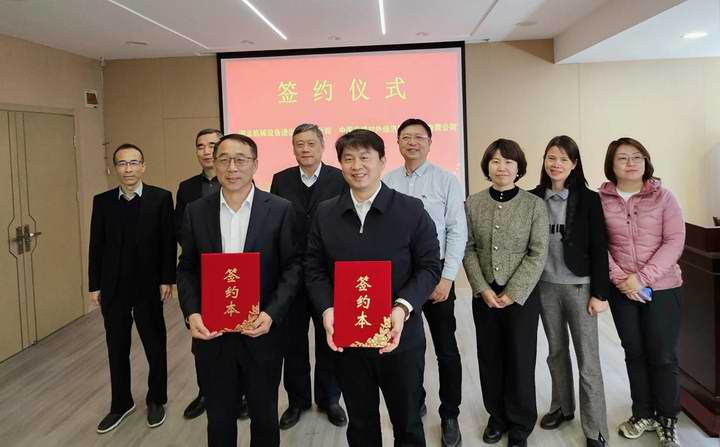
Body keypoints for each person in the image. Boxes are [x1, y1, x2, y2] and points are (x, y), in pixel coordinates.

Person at [305, 129, 441, 446]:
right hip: (348, 341)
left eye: (365, 157)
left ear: (382, 161)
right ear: (340, 164)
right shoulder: (326, 213)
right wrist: (327, 309)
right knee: (361, 424)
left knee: (408, 423)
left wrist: (402, 307)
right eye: (348, 158)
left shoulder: (411, 210)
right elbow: (314, 268)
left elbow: (429, 266)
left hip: (400, 337)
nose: (357, 166)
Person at [177, 134, 301, 447]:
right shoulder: (196, 211)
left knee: (264, 416)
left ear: (255, 164)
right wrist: (192, 312)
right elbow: (187, 268)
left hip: (261, 333)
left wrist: (272, 313)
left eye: (240, 160)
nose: (232, 167)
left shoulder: (280, 209)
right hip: (212, 334)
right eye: (224, 159)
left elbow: (293, 267)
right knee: (219, 418)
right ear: (214, 163)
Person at [383, 118, 467, 447]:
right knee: (408, 347)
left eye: (419, 137)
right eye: (406, 137)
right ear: (397, 143)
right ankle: (414, 401)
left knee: (445, 348)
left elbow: (457, 230)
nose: (412, 142)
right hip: (399, 278)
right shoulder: (387, 181)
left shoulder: (446, 180)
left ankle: (450, 414)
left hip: (436, 272)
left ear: (430, 143)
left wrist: (447, 278)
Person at [598, 137, 685, 447]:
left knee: (663, 354)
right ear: (612, 165)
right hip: (622, 289)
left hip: (662, 287)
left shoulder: (665, 197)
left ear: (646, 161)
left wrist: (643, 278)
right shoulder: (600, 200)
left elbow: (674, 241)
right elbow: (598, 244)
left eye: (637, 157)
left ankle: (668, 417)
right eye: (623, 158)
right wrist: (622, 279)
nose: (631, 163)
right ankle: (643, 413)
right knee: (633, 352)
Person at [463, 139, 549, 447]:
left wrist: (513, 291)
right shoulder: (473, 203)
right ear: (487, 166)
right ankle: (496, 417)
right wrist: (482, 288)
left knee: (520, 357)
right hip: (485, 294)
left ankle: (521, 422)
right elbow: (468, 248)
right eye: (496, 161)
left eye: (509, 162)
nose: (502, 167)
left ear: (518, 168)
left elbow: (538, 253)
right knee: (490, 356)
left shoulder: (534, 205)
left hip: (521, 296)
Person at [88, 143, 176, 433]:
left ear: (143, 166)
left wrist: (167, 278)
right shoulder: (102, 201)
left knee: (155, 344)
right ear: (115, 168)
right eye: (122, 163)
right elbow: (96, 245)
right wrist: (94, 284)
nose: (128, 169)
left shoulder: (160, 198)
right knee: (116, 346)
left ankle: (156, 399)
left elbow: (167, 241)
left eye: (134, 163)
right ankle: (121, 403)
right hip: (113, 287)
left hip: (148, 285)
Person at [529, 136, 610, 447]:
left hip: (580, 286)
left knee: (588, 359)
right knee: (556, 352)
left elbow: (599, 247)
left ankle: (595, 429)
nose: (556, 164)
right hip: (545, 286)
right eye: (551, 157)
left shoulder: (588, 199)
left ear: (574, 164)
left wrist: (600, 293)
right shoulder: (533, 198)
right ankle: (562, 407)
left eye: (564, 159)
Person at [270, 123, 347, 429]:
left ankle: (330, 399)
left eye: (310, 143)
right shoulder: (281, 179)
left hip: (327, 273)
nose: (305, 149)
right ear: (293, 148)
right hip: (291, 272)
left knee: (330, 337)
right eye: (299, 144)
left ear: (322, 146)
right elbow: (274, 224)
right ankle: (297, 401)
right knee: (292, 341)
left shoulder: (339, 178)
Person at [175, 128, 249, 421]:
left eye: (212, 145)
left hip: (247, 286)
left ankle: (243, 395)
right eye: (201, 146)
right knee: (207, 349)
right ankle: (206, 393)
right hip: (208, 287)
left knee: (245, 349)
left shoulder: (250, 192)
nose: (206, 151)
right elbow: (185, 242)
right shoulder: (188, 190)